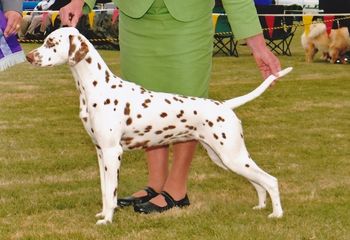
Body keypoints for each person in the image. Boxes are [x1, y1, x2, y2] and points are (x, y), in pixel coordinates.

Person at [59, 0, 281, 214]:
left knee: (189, 102)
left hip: (189, 20)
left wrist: (258, 46)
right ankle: (155, 183)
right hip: (136, 20)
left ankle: (176, 188)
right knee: (143, 106)